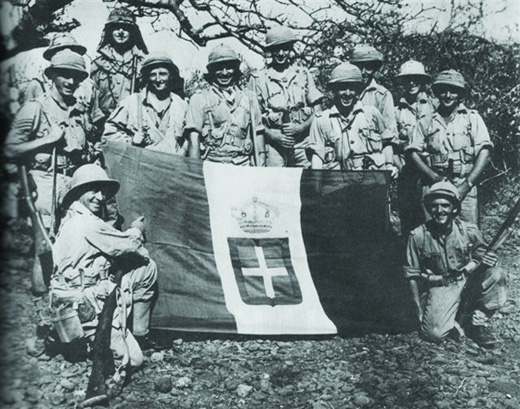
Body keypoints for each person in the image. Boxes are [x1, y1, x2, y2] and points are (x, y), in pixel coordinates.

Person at [51, 164, 158, 367]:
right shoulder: (87, 223)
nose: (100, 197)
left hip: (70, 299)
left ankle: (74, 339)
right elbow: (130, 246)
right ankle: (90, 343)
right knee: (134, 361)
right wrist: (136, 230)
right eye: (93, 190)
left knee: (143, 270)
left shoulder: (71, 218)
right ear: (79, 192)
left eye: (103, 191)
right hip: (86, 303)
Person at [403, 181, 507, 348]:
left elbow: (482, 255)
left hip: (466, 281)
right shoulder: (418, 236)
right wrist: (418, 311)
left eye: (445, 205)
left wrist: (489, 260)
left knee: (497, 274)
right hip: (440, 287)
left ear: (454, 209)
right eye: (434, 206)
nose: (440, 211)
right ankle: (457, 319)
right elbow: (412, 275)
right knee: (434, 334)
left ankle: (477, 322)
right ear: (429, 209)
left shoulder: (469, 230)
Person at [406, 70, 493, 225]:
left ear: (460, 94)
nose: (447, 95)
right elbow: (413, 152)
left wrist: (467, 185)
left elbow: (485, 153)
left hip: (463, 184)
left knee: (468, 234)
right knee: (433, 234)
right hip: (434, 186)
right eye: (443, 91)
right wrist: (432, 176)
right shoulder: (426, 120)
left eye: (453, 91)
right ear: (437, 93)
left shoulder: (471, 118)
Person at [249, 26, 323, 167]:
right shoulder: (258, 79)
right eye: (277, 49)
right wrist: (273, 136)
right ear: (270, 51)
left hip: (303, 142)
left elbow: (318, 111)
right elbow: (253, 119)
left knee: (307, 183)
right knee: (276, 184)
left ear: (291, 49)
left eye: (285, 48)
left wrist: (301, 127)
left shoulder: (303, 73)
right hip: (274, 144)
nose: (281, 53)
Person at [308, 62, 398, 174]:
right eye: (342, 88)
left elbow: (386, 142)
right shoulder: (322, 120)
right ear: (334, 90)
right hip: (337, 184)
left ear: (358, 89)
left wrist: (389, 165)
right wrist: (317, 181)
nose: (347, 93)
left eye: (352, 88)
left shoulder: (371, 114)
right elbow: (317, 156)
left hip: (371, 181)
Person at [185, 44, 265, 166]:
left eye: (229, 68)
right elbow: (193, 139)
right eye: (219, 68)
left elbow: (258, 133)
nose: (224, 73)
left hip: (243, 165)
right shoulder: (199, 99)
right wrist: (196, 171)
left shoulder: (249, 98)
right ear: (211, 71)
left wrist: (261, 161)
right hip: (213, 164)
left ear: (236, 70)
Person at [103, 53, 188, 155]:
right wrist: (130, 141)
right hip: (140, 165)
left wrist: (183, 150)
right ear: (147, 77)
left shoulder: (181, 105)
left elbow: (190, 137)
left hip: (173, 166)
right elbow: (109, 134)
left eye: (163, 74)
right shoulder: (131, 102)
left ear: (171, 76)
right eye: (153, 74)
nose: (158, 79)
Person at [22, 33, 105, 129]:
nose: (67, 53)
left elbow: (96, 116)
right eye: (59, 51)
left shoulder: (89, 86)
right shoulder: (36, 85)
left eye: (72, 50)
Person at [394, 60, 436, 234]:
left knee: (432, 215)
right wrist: (401, 167)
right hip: (407, 172)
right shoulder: (397, 110)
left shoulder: (435, 105)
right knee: (409, 219)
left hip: (431, 170)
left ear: (422, 81)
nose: (411, 83)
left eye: (416, 78)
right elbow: (393, 145)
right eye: (407, 79)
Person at [91, 7, 148, 118]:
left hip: (134, 121)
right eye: (116, 28)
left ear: (133, 33)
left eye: (126, 28)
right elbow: (91, 99)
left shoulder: (144, 65)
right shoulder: (97, 65)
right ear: (109, 32)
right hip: (104, 123)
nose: (121, 32)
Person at [350, 45, 397, 149]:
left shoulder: (382, 95)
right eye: (359, 67)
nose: (363, 73)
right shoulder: (346, 93)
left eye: (368, 67)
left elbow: (389, 134)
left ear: (375, 68)